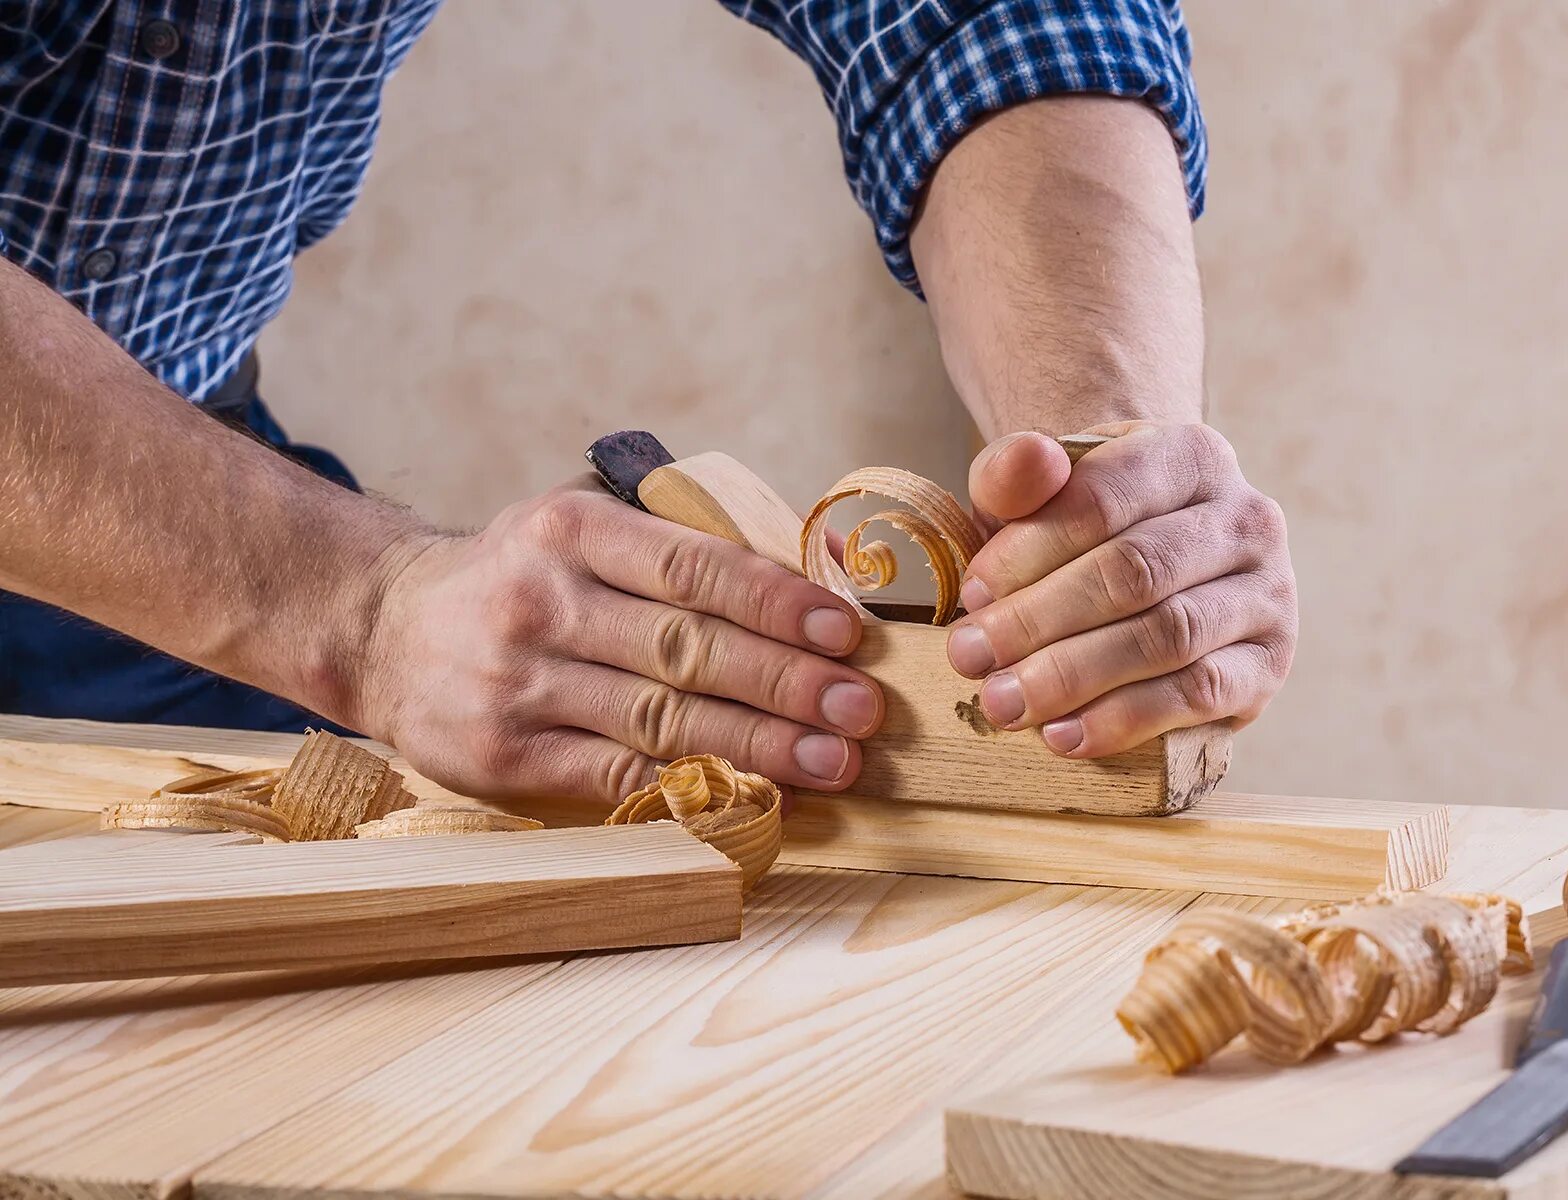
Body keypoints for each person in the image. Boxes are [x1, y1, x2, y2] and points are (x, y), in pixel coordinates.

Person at [0, 1, 1296, 806]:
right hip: (207, 539)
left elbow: (980, 19)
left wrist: (1103, 468)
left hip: (180, 457)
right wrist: (356, 607)